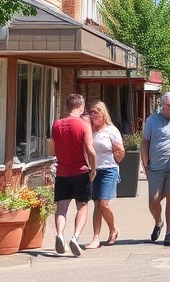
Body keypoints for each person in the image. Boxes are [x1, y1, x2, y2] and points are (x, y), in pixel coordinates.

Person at [50, 93, 96, 257]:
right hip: (80, 171)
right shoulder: (83, 124)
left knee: (62, 208)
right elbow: (90, 149)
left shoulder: (57, 125)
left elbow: (51, 149)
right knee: (82, 206)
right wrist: (93, 168)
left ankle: (60, 235)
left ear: (67, 107)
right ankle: (75, 237)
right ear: (82, 107)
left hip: (62, 172)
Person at [142, 91, 170, 247]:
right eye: (169, 105)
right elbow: (145, 142)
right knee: (153, 200)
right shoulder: (151, 121)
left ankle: (169, 233)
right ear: (162, 105)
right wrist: (145, 163)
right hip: (155, 168)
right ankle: (159, 221)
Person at [85, 101, 124, 249]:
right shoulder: (89, 130)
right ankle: (96, 237)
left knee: (103, 203)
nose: (94, 115)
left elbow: (120, 151)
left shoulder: (111, 130)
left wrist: (114, 161)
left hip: (109, 169)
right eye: (92, 112)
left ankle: (113, 229)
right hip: (94, 169)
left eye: (97, 112)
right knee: (96, 204)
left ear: (103, 114)